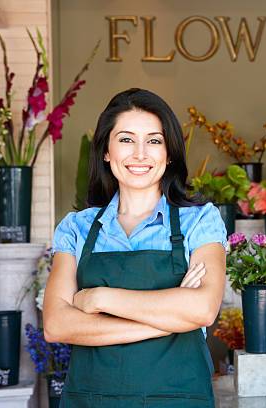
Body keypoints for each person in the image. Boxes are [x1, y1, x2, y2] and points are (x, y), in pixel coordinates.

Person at [43, 88, 227, 407]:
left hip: (177, 400)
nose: (140, 154)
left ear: (168, 153)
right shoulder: (76, 227)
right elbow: (57, 325)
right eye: (126, 139)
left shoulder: (200, 221)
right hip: (91, 400)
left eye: (154, 140)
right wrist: (169, 319)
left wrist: (99, 297)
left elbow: (203, 310)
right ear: (106, 151)